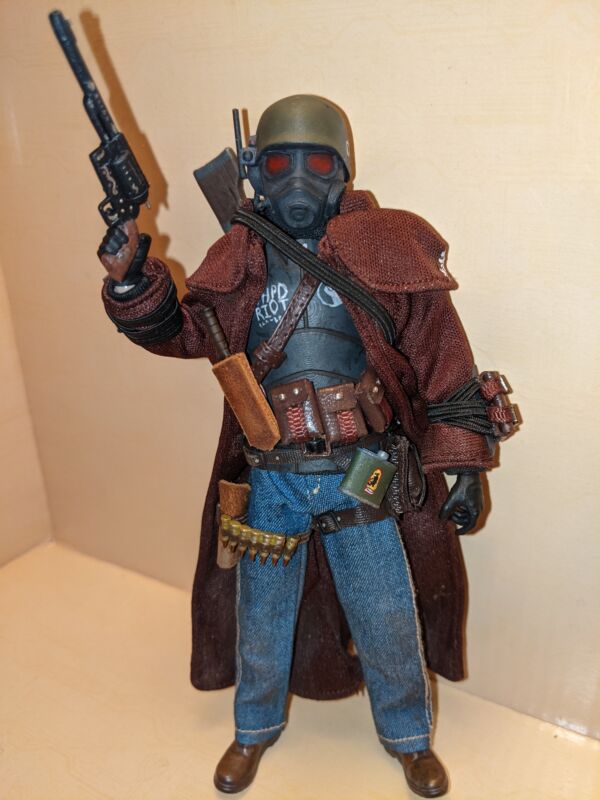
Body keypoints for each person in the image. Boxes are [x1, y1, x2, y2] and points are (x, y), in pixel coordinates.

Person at [98, 95, 512, 797]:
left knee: (386, 612)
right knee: (262, 613)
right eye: (279, 164)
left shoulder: (386, 250)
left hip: (361, 470)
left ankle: (408, 738)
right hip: (273, 475)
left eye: (317, 163)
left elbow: (442, 358)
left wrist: (466, 466)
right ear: (255, 169)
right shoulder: (241, 254)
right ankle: (253, 728)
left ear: (342, 170)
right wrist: (134, 280)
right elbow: (187, 333)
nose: (298, 180)